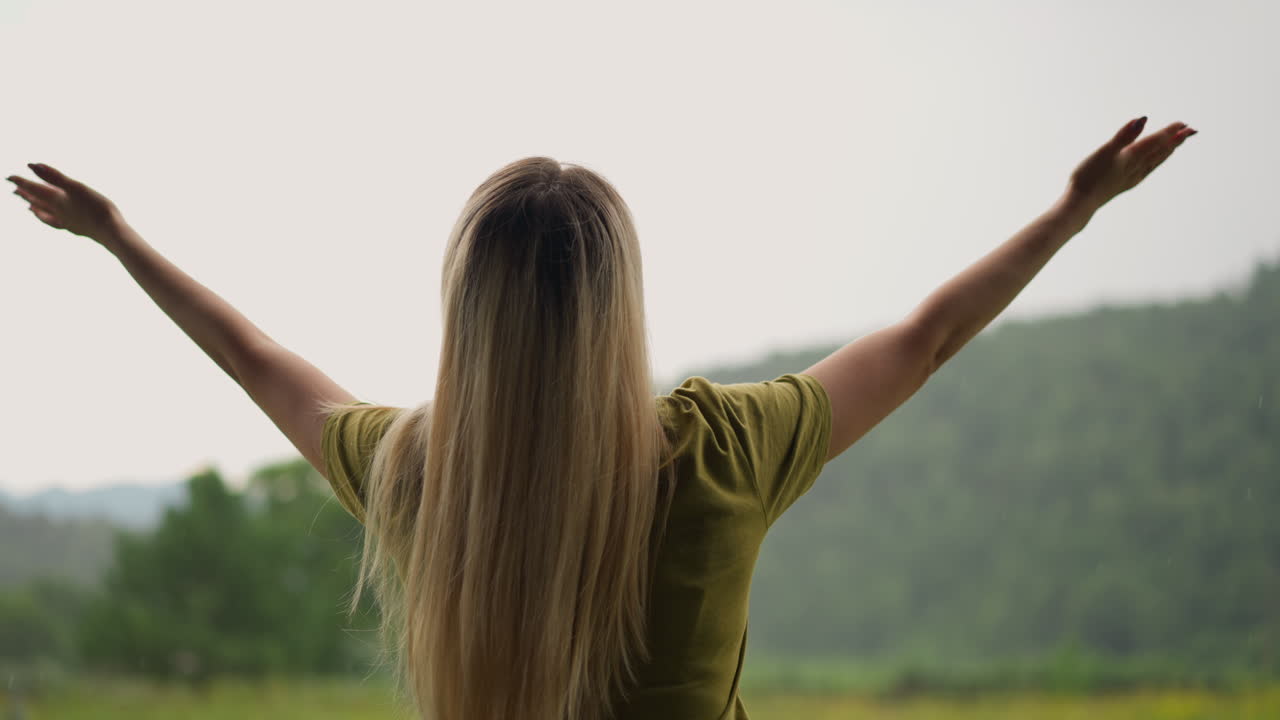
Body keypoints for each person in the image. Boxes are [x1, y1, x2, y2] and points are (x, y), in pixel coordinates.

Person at [7, 115, 1196, 720]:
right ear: (619, 306)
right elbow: (923, 339)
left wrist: (120, 242)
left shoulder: (420, 476)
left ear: (466, 316)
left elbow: (256, 362)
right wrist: (1069, 214)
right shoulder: (725, 452)